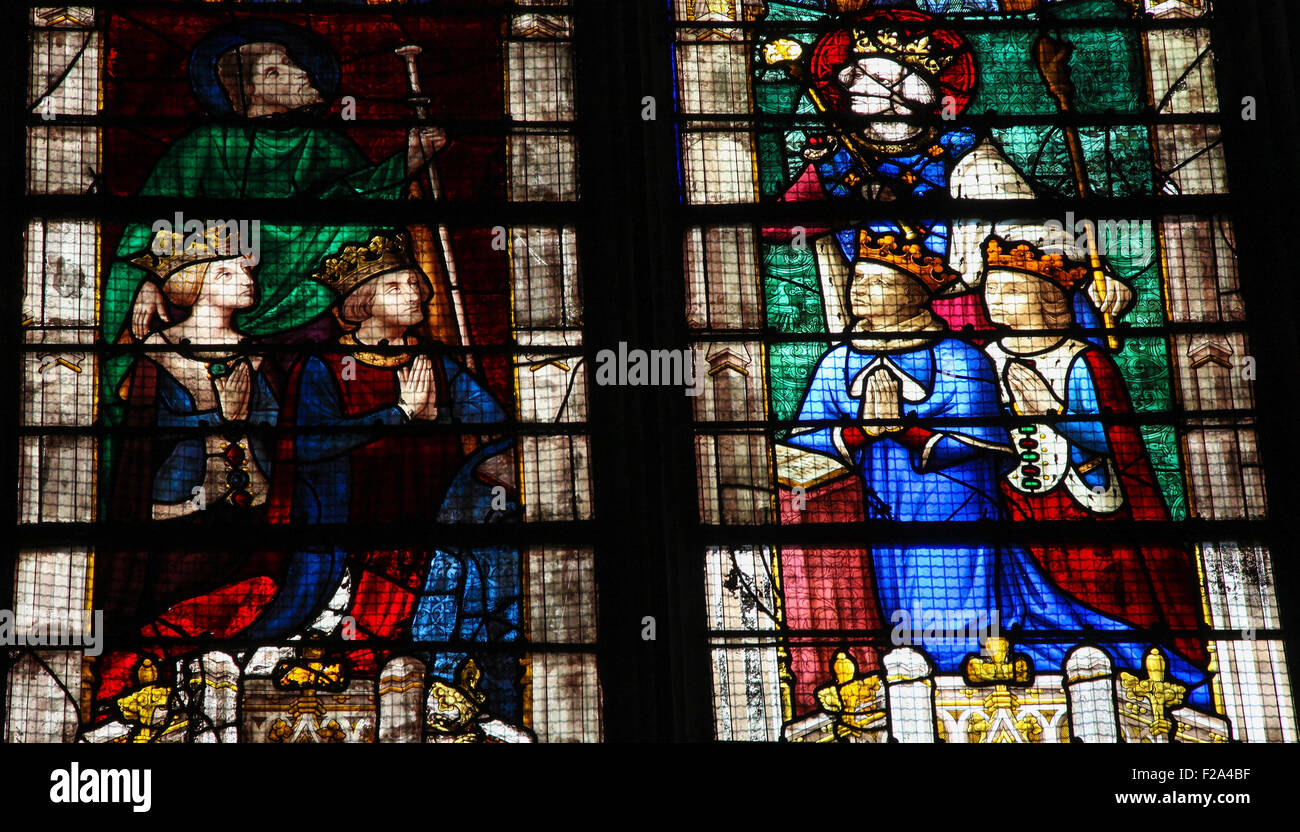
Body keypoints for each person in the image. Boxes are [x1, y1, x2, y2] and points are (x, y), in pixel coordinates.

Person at [784, 231, 1172, 677]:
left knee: (951, 615)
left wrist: (907, 431)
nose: (859, 291)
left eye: (877, 283)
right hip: (877, 511)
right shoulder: (836, 362)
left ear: (914, 297)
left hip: (954, 509)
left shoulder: (961, 358)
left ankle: (967, 677)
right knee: (892, 603)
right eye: (857, 281)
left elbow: (983, 440)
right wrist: (861, 431)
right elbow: (805, 445)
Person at [100, 21, 448, 470]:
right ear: (244, 92)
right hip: (207, 319)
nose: (303, 74)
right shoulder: (200, 148)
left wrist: (407, 165)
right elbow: (150, 228)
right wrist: (150, 280)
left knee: (300, 436)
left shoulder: (328, 146)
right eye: (277, 70)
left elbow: (364, 224)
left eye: (298, 63)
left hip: (312, 311)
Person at [246, 234, 518, 714]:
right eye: (397, 287)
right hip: (346, 537)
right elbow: (303, 446)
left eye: (415, 284)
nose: (415, 293)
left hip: (425, 532)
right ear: (363, 302)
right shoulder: (322, 365)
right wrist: (398, 415)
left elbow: (493, 423)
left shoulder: (435, 361)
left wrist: (496, 462)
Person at [979, 235, 1211, 704]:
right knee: (1027, 598)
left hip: (1089, 506)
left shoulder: (1085, 360)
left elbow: (1120, 443)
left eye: (1011, 290)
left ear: (1049, 302)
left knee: (1104, 592)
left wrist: (1053, 411)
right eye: (990, 288)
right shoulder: (984, 359)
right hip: (1017, 506)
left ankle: (1139, 676)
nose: (994, 299)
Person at [94, 226, 282, 710]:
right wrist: (208, 412)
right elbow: (139, 426)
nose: (244, 278)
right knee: (167, 613)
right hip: (177, 513)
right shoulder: (157, 351)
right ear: (196, 284)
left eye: (244, 269)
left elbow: (279, 427)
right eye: (227, 271)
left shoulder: (258, 353)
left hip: (249, 511)